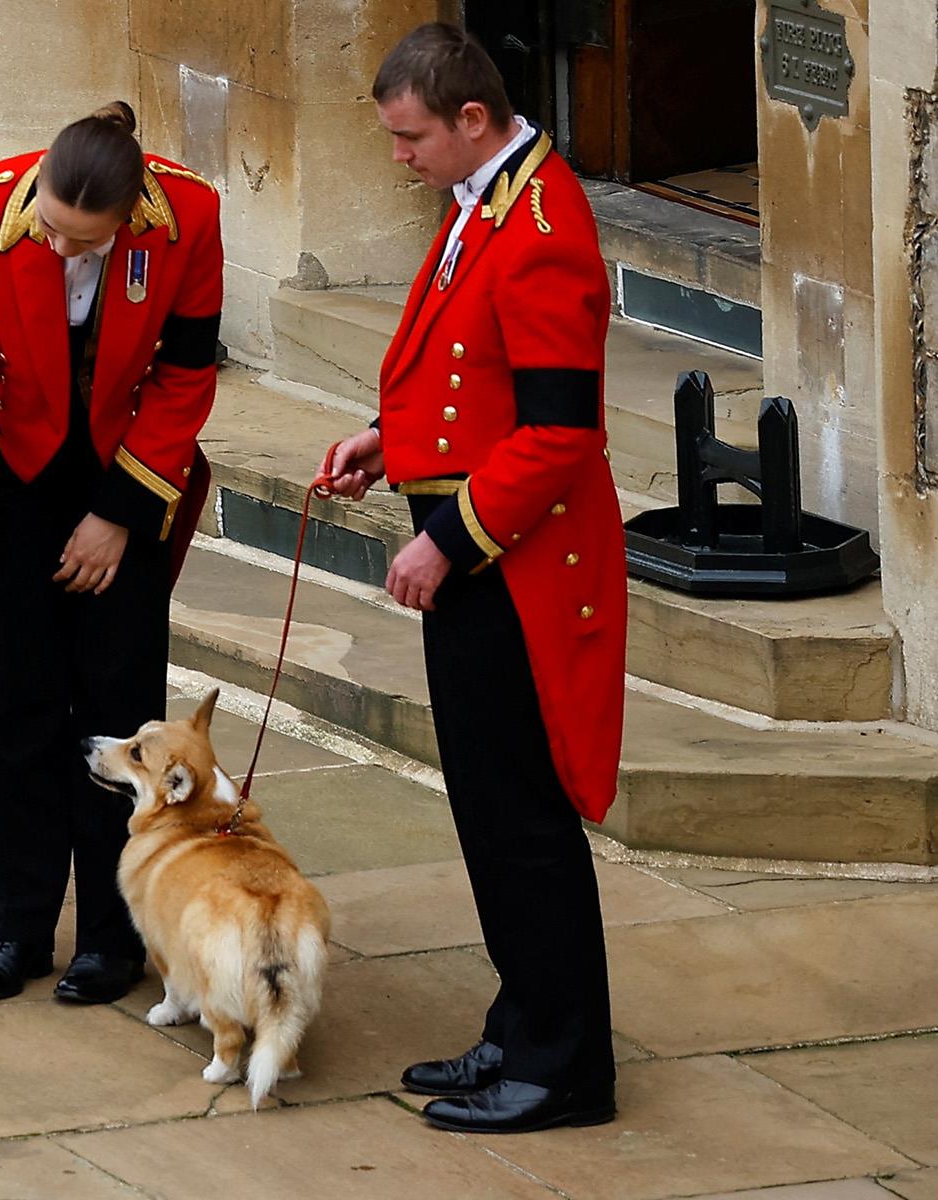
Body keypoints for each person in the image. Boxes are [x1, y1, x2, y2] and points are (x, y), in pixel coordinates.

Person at [323, 23, 627, 1133]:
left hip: (517, 566)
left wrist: (445, 537)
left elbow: (556, 434)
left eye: (410, 139)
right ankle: (521, 1023)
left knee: (522, 816)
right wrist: (383, 440)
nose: (399, 159)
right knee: (486, 808)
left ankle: (564, 1067)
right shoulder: (489, 202)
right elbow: (466, 371)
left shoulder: (543, 226)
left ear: (470, 119)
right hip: (479, 549)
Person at [0, 101, 223, 1005]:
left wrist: (120, 513)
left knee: (119, 714)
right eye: (48, 227)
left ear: (129, 220)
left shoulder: (190, 217)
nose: (55, 248)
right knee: (16, 706)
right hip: (15, 479)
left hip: (127, 472)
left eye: (79, 241)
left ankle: (112, 939)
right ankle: (14, 930)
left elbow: (187, 372)